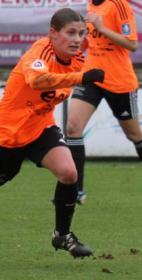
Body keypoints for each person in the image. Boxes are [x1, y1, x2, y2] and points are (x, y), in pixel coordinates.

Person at [0, 8, 104, 258]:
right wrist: (80, 78)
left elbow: (93, 31)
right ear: (53, 33)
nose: (77, 39)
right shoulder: (40, 52)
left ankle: (62, 235)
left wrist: (98, 24)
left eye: (80, 34)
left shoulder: (77, 54)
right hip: (8, 134)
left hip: (40, 127)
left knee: (69, 173)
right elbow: (37, 81)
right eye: (70, 33)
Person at [66, 0, 142, 207]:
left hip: (119, 82)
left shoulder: (119, 4)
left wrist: (102, 28)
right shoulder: (91, 5)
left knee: (133, 134)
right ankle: (76, 190)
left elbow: (132, 44)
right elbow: (92, 40)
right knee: (73, 127)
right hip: (92, 76)